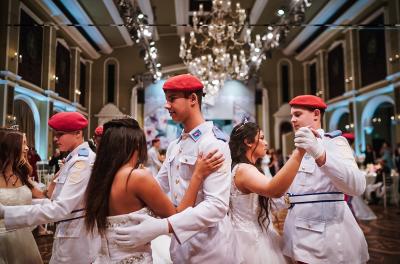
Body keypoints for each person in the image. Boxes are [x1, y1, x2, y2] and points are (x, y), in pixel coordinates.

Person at [113, 74, 239, 263]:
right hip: (180, 247)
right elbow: (158, 187)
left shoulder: (213, 144)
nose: (166, 105)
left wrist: (163, 226)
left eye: (172, 99)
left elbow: (216, 207)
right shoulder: (175, 146)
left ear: (193, 100)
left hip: (210, 248)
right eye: (166, 100)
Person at [84, 118, 223, 263]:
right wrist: (197, 175)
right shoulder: (137, 177)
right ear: (136, 145)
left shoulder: (100, 178)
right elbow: (177, 216)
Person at [0, 111, 100, 264]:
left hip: (75, 240)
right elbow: (55, 201)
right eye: (55, 134)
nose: (55, 138)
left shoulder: (82, 162)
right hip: (70, 233)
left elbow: (60, 208)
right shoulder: (76, 158)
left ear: (78, 133)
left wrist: (7, 212)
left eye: (60, 134)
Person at [283, 95, 369, 263]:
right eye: (291, 115)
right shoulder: (298, 149)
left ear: (316, 114)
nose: (292, 120)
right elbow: (292, 191)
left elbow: (358, 186)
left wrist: (320, 154)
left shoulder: (334, 143)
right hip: (296, 233)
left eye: (297, 114)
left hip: (323, 238)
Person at [228, 121, 305, 263]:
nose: (266, 143)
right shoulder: (244, 170)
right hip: (248, 241)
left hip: (258, 231)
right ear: (248, 142)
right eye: (262, 138)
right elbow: (273, 190)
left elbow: (273, 203)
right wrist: (298, 154)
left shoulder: (245, 168)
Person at [0, 128, 43, 264]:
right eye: (23, 143)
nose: (26, 148)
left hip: (24, 238)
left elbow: (42, 195)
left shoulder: (21, 174)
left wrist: (59, 177)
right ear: (11, 147)